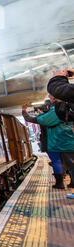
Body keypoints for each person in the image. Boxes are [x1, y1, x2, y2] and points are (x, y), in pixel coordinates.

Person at [22, 101, 66, 189]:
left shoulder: (45, 117)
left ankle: (60, 183)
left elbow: (29, 119)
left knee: (56, 161)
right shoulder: (60, 113)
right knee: (62, 161)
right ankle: (66, 180)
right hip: (61, 141)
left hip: (51, 142)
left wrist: (24, 110)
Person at [47, 68, 74, 197]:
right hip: (63, 141)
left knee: (65, 162)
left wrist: (58, 78)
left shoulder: (52, 112)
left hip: (65, 140)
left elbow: (60, 90)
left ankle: (60, 182)